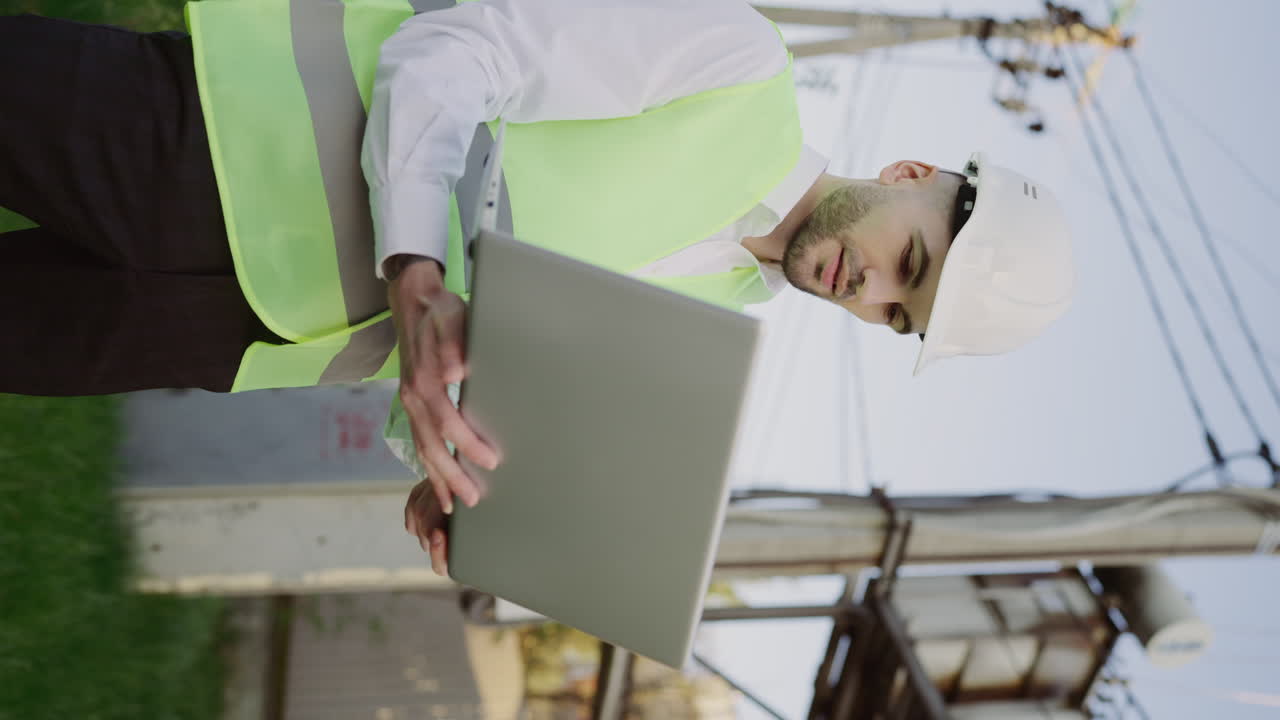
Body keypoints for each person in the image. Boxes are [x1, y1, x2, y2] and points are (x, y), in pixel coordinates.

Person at [0, 0, 1074, 576]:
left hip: (234, 335)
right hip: (210, 146)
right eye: (910, 262)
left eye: (897, 315)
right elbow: (454, 48)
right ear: (910, 177)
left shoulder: (689, 344)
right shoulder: (739, 64)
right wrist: (417, 276)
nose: (871, 289)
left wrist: (447, 476)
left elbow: (452, 377)